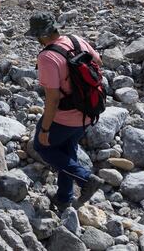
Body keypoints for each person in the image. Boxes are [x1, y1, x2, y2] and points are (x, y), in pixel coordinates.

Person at [26, 11, 105, 210]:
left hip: (64, 117)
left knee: (43, 147)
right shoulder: (76, 40)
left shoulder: (47, 57)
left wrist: (44, 130)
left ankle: (86, 179)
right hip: (88, 110)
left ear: (41, 35)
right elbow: (99, 63)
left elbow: (52, 100)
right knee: (67, 151)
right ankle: (64, 198)